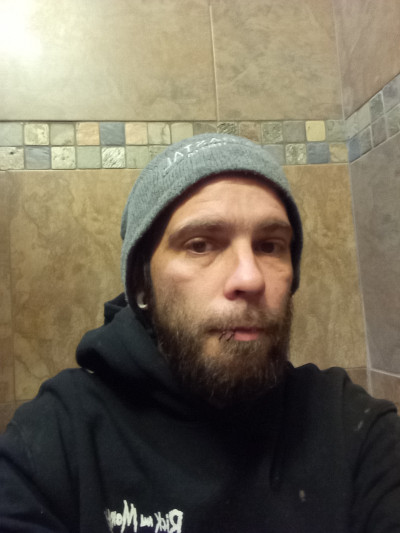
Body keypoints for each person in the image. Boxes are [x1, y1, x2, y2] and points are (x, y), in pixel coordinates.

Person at [0, 133, 399, 533]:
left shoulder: (353, 430)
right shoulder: (55, 440)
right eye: (200, 245)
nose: (250, 278)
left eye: (269, 246)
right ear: (141, 284)